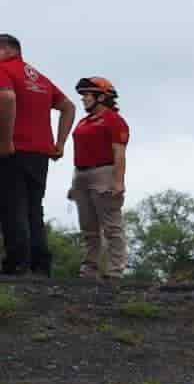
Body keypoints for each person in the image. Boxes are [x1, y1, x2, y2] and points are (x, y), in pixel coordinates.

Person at [0, 34, 75, 275]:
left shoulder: (3, 70)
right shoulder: (39, 78)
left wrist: (6, 140)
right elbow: (68, 107)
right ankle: (40, 264)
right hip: (40, 154)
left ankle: (17, 263)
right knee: (33, 207)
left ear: (6, 49)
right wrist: (60, 143)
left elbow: (7, 97)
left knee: (12, 206)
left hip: (13, 150)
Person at [67, 77, 130, 280]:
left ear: (101, 97)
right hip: (81, 175)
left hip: (104, 173)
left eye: (87, 95)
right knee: (88, 228)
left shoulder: (114, 120)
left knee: (112, 227)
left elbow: (119, 152)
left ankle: (115, 271)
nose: (83, 99)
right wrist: (74, 182)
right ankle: (89, 270)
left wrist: (118, 182)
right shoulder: (84, 121)